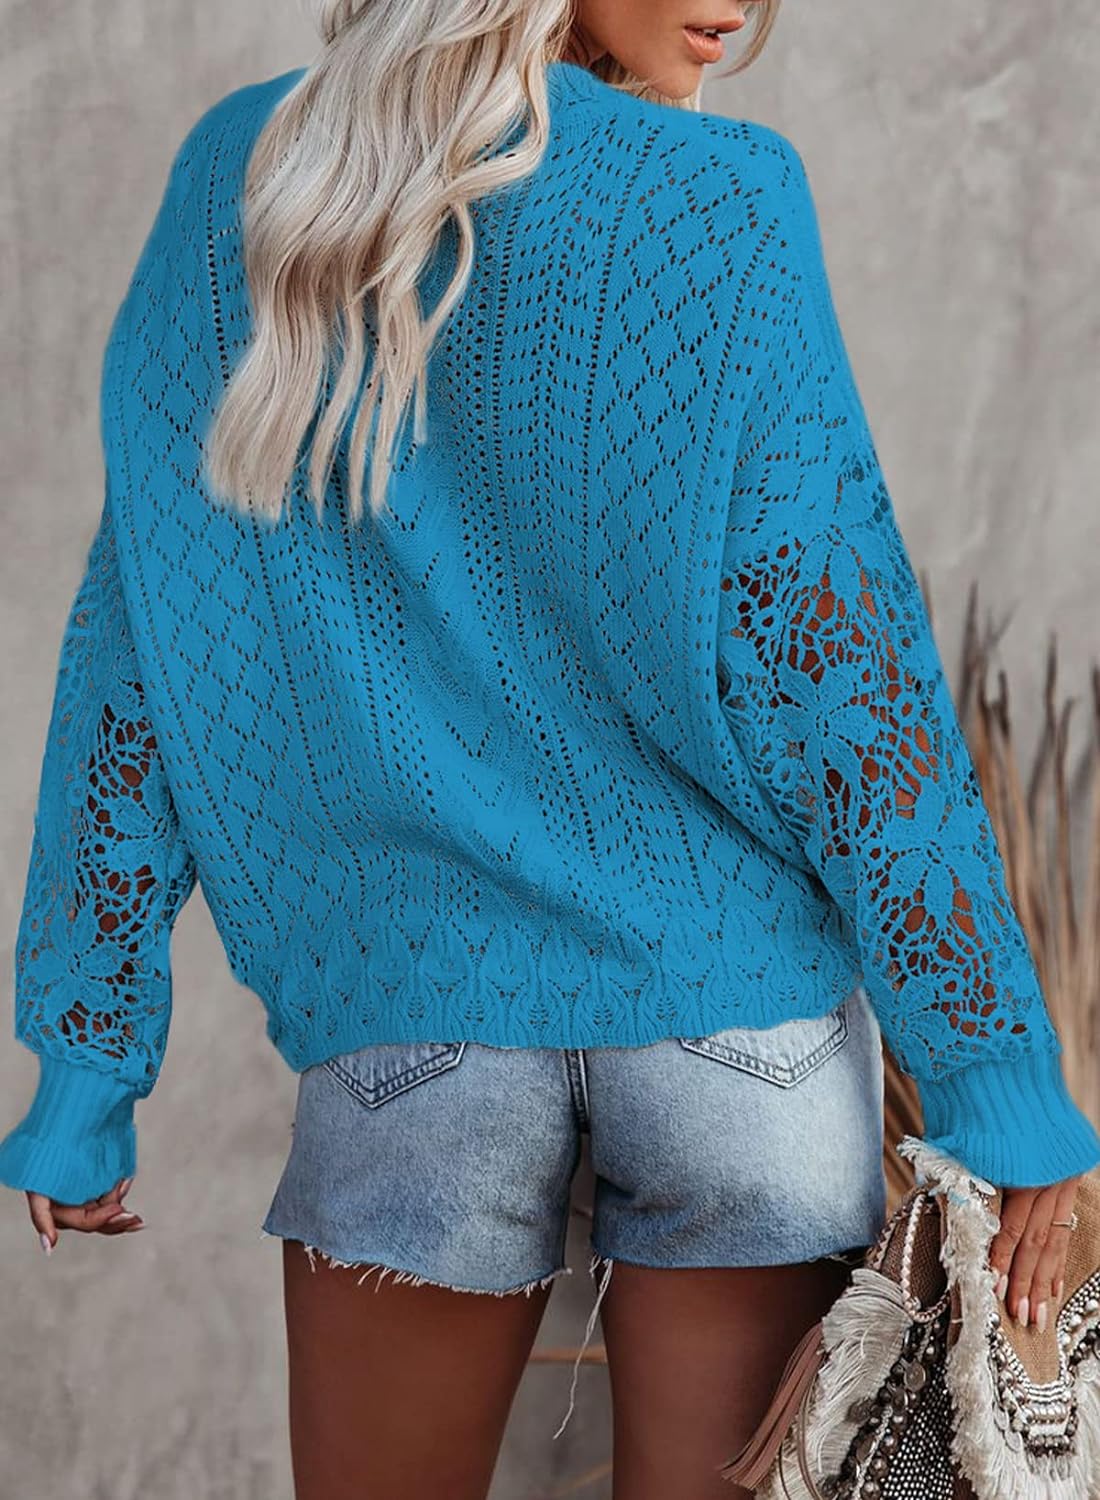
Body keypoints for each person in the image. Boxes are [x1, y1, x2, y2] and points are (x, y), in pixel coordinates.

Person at [2, 3, 1098, 1497]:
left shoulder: (249, 182)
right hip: (740, 1032)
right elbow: (846, 673)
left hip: (413, 1024)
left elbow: (142, 649)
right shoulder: (725, 202)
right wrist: (993, 1079)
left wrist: (86, 1067)